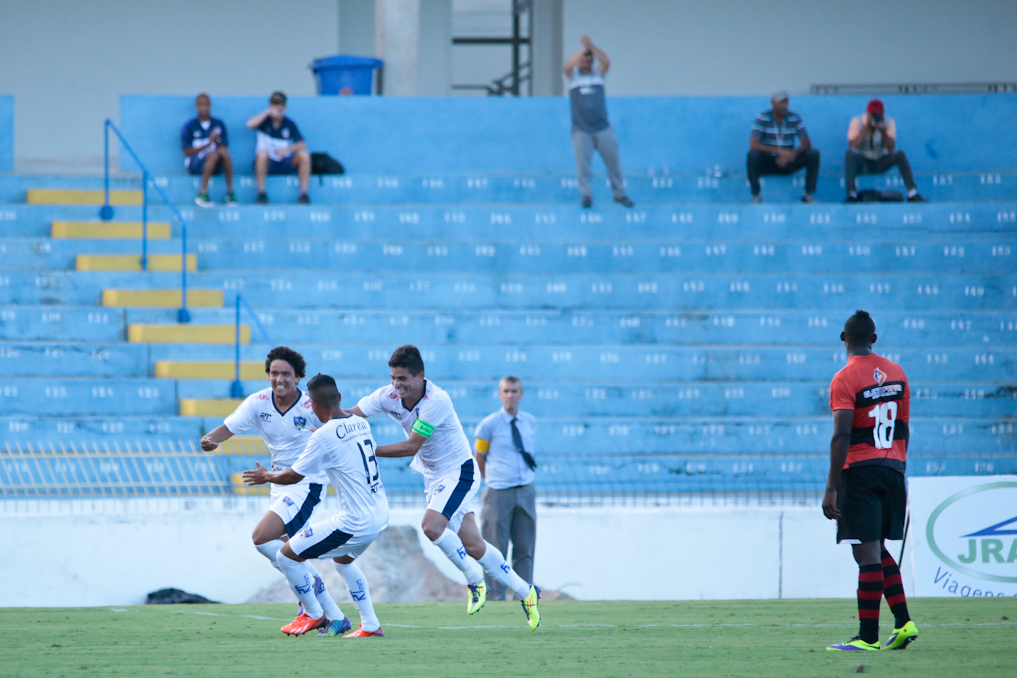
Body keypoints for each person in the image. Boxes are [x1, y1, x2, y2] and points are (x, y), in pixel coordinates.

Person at [347, 345, 542, 631]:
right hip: (434, 476)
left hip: (459, 472)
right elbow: (350, 415)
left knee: (431, 526)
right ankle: (527, 593)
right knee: (474, 545)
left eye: (403, 378)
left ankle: (474, 579)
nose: (396, 384)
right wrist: (322, 418)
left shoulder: (436, 400)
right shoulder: (386, 395)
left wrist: (368, 450)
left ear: (420, 376)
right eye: (393, 378)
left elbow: (412, 445)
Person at [199, 347, 346, 632]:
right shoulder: (258, 402)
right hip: (279, 483)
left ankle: (313, 611)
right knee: (286, 555)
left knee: (262, 538)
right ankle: (336, 617)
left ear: (298, 377)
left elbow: (340, 427)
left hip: (306, 484)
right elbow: (228, 427)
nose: (279, 379)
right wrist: (210, 439)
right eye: (274, 373)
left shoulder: (310, 406)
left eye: (286, 374)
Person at [243, 374, 389, 638]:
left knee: (285, 555)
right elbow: (342, 446)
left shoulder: (323, 436)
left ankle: (312, 613)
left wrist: (267, 476)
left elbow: (293, 476)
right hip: (379, 515)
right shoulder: (360, 423)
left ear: (311, 404)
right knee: (343, 562)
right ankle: (370, 625)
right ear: (340, 398)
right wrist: (322, 436)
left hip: (353, 522)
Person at [823, 310, 918, 652]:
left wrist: (832, 486)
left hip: (861, 472)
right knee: (877, 548)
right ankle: (904, 622)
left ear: (843, 338)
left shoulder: (845, 378)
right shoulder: (898, 374)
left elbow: (841, 434)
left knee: (866, 555)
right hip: (893, 470)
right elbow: (904, 427)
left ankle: (867, 637)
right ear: (874, 339)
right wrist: (898, 469)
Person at [473, 376, 537, 601]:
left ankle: (524, 595)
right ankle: (494, 597)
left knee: (525, 548)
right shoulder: (488, 425)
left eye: (515, 391)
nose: (510, 395)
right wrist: (489, 480)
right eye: (506, 391)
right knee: (494, 549)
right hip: (498, 492)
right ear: (500, 394)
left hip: (525, 490)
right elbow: (479, 455)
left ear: (521, 394)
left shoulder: (529, 421)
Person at [563, 35, 634, 209]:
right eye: (582, 62)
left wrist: (590, 46)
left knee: (613, 163)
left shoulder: (598, 77)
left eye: (588, 62)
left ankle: (619, 193)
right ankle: (586, 195)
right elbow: (566, 67)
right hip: (581, 130)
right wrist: (582, 50)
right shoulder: (574, 80)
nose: (584, 64)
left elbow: (606, 62)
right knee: (584, 167)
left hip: (602, 128)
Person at [845, 99, 927, 203]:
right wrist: (866, 129)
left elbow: (891, 148)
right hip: (863, 162)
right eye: (873, 115)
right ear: (868, 113)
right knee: (849, 154)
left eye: (878, 115)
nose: (876, 117)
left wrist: (883, 131)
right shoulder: (857, 121)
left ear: (883, 114)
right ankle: (852, 194)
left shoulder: (889, 122)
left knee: (899, 154)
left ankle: (912, 193)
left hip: (880, 161)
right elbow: (852, 146)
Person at [747, 91, 820, 203]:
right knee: (752, 155)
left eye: (786, 102)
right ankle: (756, 195)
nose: (784, 106)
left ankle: (808, 194)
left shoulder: (794, 118)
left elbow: (806, 143)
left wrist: (791, 154)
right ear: (772, 103)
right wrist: (779, 151)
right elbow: (754, 144)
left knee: (813, 154)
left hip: (789, 160)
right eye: (780, 103)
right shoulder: (762, 118)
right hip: (769, 160)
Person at [245, 91, 311, 204]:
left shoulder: (289, 123)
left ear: (284, 107)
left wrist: (287, 150)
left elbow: (302, 143)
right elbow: (250, 124)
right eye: (274, 104)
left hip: (284, 161)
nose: (276, 107)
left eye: (279, 104)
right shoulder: (264, 121)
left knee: (304, 155)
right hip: (268, 163)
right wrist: (267, 112)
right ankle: (261, 193)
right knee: (262, 154)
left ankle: (304, 194)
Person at [181, 93, 236, 207]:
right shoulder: (190, 126)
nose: (203, 107)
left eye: (206, 104)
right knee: (212, 154)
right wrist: (208, 143)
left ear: (210, 105)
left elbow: (224, 146)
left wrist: (216, 141)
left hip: (216, 165)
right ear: (196, 106)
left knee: (221, 152)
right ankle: (202, 193)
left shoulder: (218, 124)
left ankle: (230, 192)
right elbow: (186, 152)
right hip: (196, 164)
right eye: (201, 105)